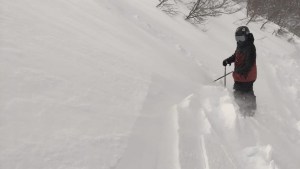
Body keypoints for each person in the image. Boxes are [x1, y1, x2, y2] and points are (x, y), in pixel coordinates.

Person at [222, 26, 257, 115]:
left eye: (241, 38)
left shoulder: (250, 47)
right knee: (243, 90)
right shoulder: (241, 45)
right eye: (237, 38)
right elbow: (236, 55)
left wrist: (239, 71)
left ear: (246, 36)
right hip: (241, 74)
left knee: (242, 91)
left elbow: (249, 64)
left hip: (247, 75)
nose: (239, 40)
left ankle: (248, 109)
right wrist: (228, 60)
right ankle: (245, 107)